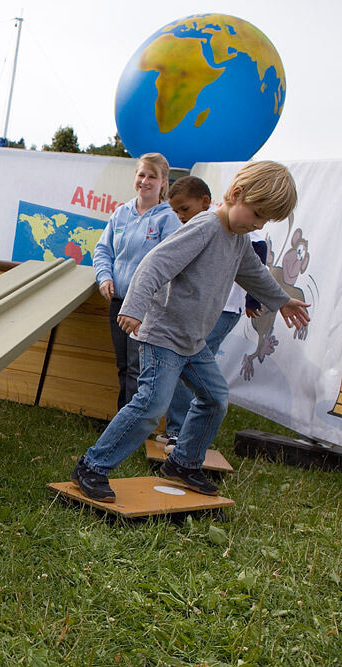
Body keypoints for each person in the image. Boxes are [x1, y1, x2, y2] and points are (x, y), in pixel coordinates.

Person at [72, 161, 311, 502]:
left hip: (192, 342)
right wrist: (134, 307)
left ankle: (183, 463)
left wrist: (282, 300)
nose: (258, 224)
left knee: (215, 399)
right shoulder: (204, 228)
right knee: (150, 406)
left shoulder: (238, 239)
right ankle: (92, 467)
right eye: (257, 214)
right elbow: (154, 264)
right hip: (164, 336)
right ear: (237, 194)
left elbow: (254, 273)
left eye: (265, 221)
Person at [159, 176, 267, 451]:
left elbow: (257, 260)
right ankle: (179, 433)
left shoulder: (234, 223)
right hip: (201, 308)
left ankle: (182, 435)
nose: (181, 216)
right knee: (192, 372)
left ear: (205, 202)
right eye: (176, 211)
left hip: (224, 308)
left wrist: (254, 298)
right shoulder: (202, 225)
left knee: (193, 370)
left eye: (184, 209)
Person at [93, 153, 182, 410]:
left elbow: (170, 265)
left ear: (163, 181)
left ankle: (128, 427)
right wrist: (104, 277)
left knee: (137, 368)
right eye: (141, 174)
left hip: (146, 307)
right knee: (123, 365)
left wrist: (145, 299)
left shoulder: (168, 220)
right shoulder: (121, 214)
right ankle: (121, 420)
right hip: (118, 302)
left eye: (152, 176)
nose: (145, 181)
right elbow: (102, 251)